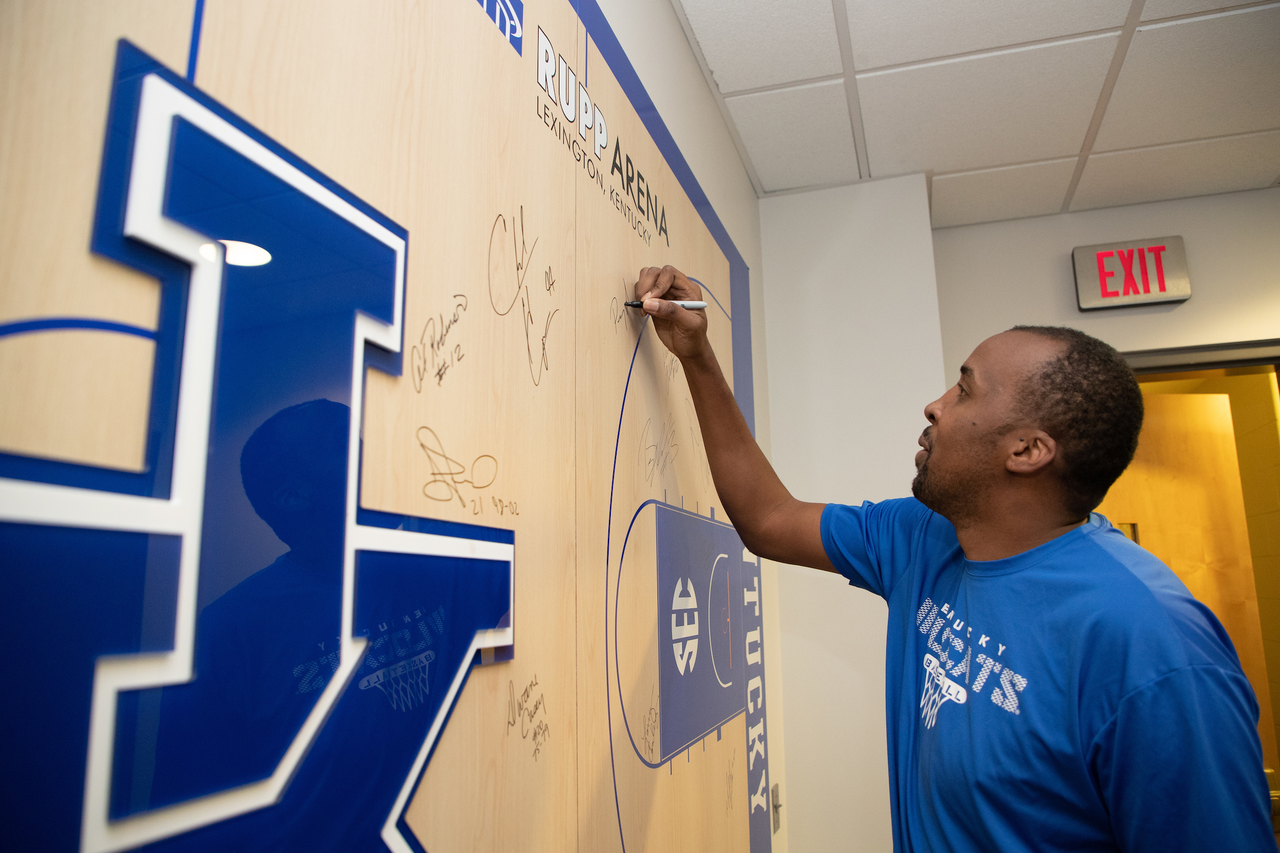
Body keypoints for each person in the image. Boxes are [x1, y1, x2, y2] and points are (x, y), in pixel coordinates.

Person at [633, 265, 1276, 851]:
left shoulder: (1154, 647)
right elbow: (770, 520)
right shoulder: (926, 535)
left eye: (965, 391)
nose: (935, 405)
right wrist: (698, 356)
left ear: (1027, 451)